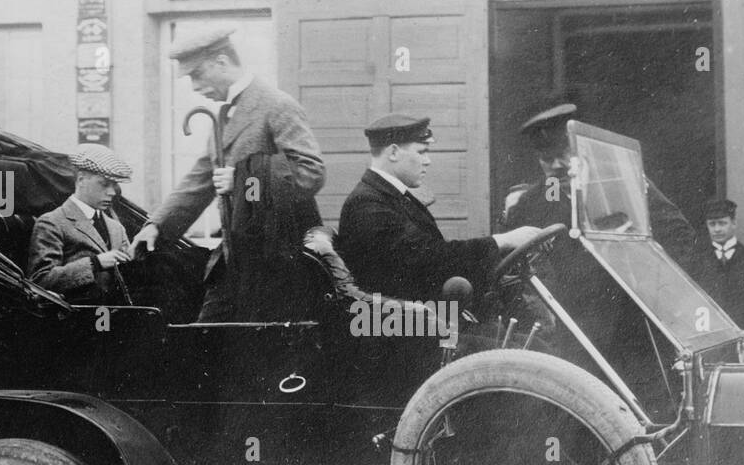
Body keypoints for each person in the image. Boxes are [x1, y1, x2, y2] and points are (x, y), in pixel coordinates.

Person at [129, 28, 324, 319]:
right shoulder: (224, 115)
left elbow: (310, 173)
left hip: (276, 261)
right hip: (236, 258)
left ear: (221, 62)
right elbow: (202, 177)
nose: (194, 87)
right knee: (208, 341)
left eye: (197, 74)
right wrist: (157, 225)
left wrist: (243, 181)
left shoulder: (277, 105)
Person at [336, 114, 540, 302]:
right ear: (394, 152)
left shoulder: (387, 196)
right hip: (399, 330)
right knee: (530, 342)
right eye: (422, 152)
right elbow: (432, 259)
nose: (428, 161)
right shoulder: (368, 205)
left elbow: (430, 257)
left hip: (416, 320)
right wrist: (502, 241)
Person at [500, 102, 707, 279]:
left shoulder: (623, 181)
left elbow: (679, 234)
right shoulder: (530, 204)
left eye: (563, 154)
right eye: (546, 159)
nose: (555, 165)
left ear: (580, 147)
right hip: (568, 318)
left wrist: (654, 287)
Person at [27, 144, 134, 304]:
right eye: (104, 184)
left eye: (114, 186)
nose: (112, 192)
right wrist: (95, 263)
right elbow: (40, 281)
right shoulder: (52, 222)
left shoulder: (116, 227)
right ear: (81, 180)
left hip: (117, 318)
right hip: (76, 320)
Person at [702, 199, 744, 343]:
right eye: (712, 224)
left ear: (734, 223)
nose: (717, 229)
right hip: (711, 340)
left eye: (722, 223)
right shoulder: (699, 259)